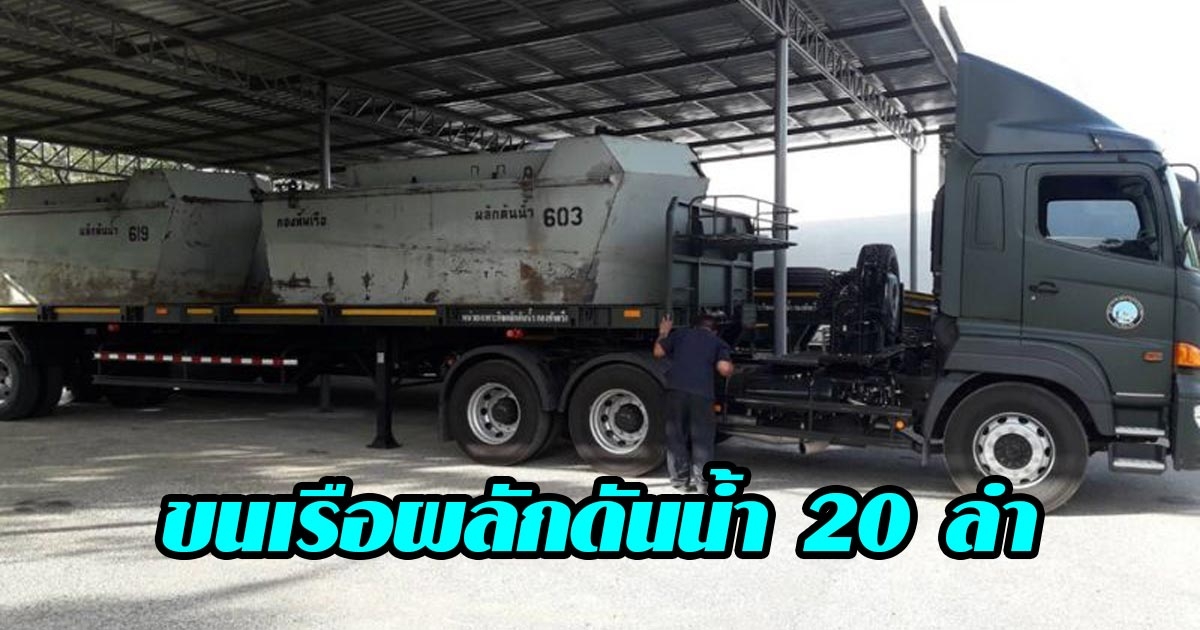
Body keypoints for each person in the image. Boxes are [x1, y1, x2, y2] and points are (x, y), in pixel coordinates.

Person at [653, 313, 734, 492]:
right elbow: (724, 368)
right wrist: (730, 369)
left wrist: (663, 332)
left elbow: (658, 352)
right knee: (702, 439)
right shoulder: (717, 342)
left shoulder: (680, 334)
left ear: (694, 326)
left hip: (676, 391)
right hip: (702, 395)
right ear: (714, 331)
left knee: (676, 436)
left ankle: (680, 482)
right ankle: (703, 484)